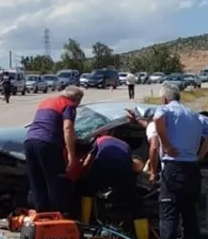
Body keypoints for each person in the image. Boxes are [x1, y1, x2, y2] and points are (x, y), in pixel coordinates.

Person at [147, 83, 208, 239]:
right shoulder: (194, 115)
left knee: (169, 211)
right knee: (190, 214)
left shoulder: (165, 110)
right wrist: (200, 155)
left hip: (174, 168)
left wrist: (167, 145)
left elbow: (157, 119)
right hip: (192, 171)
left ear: (165, 99)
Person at [24, 86, 85, 216]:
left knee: (37, 181)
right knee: (55, 180)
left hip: (29, 141)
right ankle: (57, 215)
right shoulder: (68, 105)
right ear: (77, 100)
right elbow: (68, 128)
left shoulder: (46, 102)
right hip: (47, 144)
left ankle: (41, 216)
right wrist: (71, 155)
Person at [78, 134, 141, 219]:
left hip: (105, 167)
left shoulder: (94, 145)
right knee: (131, 197)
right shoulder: (117, 142)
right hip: (125, 170)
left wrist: (83, 174)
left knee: (87, 189)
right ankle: (136, 223)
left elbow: (86, 165)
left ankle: (86, 221)